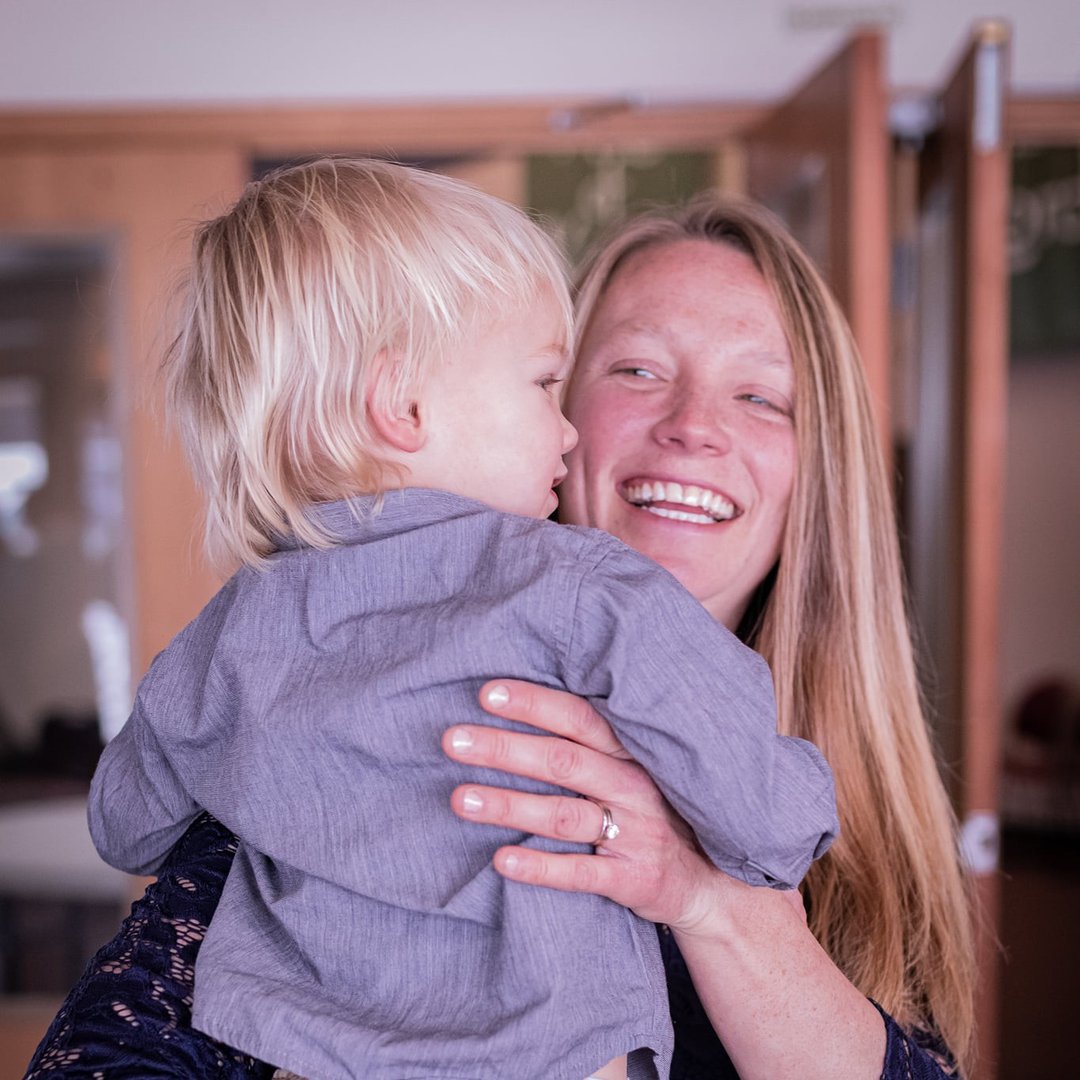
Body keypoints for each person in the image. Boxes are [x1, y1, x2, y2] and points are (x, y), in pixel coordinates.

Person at [26, 192, 975, 1080]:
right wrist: (783, 819)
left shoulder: (251, 624)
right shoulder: (322, 738)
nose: (693, 427)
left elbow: (125, 815)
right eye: (633, 370)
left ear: (824, 467)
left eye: (762, 396)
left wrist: (716, 899)